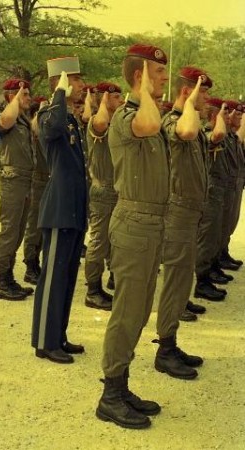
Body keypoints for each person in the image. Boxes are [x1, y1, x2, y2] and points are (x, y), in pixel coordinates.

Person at [96, 44, 170, 429]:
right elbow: (151, 125)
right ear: (140, 74)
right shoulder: (128, 117)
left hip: (151, 226)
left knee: (139, 312)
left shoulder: (149, 112)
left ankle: (121, 385)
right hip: (134, 225)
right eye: (157, 72)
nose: (163, 78)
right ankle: (109, 395)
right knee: (126, 313)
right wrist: (142, 91)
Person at [153, 67, 214, 380]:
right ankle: (164, 349)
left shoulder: (190, 119)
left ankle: (171, 342)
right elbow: (187, 132)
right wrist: (190, 102)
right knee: (176, 282)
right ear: (187, 91)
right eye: (202, 91)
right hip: (177, 212)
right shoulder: (173, 121)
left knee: (182, 281)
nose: (206, 98)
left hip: (190, 212)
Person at [31, 56, 87, 364]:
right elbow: (50, 129)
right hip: (59, 208)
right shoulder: (48, 113)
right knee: (52, 277)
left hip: (74, 208)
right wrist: (60, 95)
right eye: (76, 80)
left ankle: (58, 336)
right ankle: (44, 341)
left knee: (66, 276)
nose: (82, 85)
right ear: (61, 82)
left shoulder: (70, 118)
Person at [0, 78, 35, 301]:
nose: (28, 98)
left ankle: (9, 276)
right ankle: (1, 280)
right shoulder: (7, 117)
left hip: (25, 181)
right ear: (12, 96)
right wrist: (17, 98)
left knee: (18, 231)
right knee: (9, 230)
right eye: (25, 94)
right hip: (12, 181)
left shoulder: (23, 120)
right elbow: (5, 120)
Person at [84, 82, 124, 311]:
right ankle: (92, 290)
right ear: (107, 97)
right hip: (102, 190)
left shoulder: (114, 123)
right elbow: (99, 122)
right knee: (98, 244)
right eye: (116, 97)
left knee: (114, 243)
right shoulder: (97, 123)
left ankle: (110, 282)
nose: (120, 102)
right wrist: (104, 103)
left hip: (116, 191)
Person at [194, 98, 232, 301]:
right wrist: (219, 118)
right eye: (225, 113)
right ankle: (201, 281)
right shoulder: (209, 132)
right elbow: (217, 134)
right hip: (209, 194)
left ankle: (209, 272)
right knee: (206, 239)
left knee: (215, 236)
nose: (229, 116)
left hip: (218, 193)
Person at [23, 96, 50, 285]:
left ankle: (37, 262)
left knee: (42, 227)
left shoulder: (44, 129)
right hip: (36, 181)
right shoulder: (33, 129)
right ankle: (30, 265)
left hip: (48, 181)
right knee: (33, 227)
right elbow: (35, 129)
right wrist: (40, 112)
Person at [218, 100, 245, 269]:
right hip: (224, 185)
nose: (240, 118)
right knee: (221, 225)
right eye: (238, 114)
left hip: (235, 184)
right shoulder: (226, 136)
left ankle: (223, 252)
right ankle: (214, 261)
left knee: (230, 222)